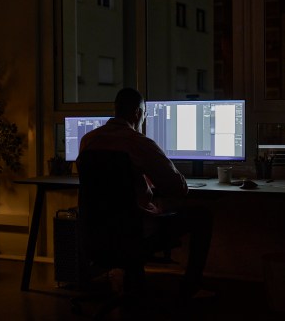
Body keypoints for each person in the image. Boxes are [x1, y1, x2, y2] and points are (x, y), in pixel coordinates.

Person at [78, 87, 213, 299]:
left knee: (129, 218)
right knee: (202, 216)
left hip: (97, 233)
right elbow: (179, 188)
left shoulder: (88, 140)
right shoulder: (139, 143)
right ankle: (191, 287)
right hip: (135, 232)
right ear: (138, 113)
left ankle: (132, 283)